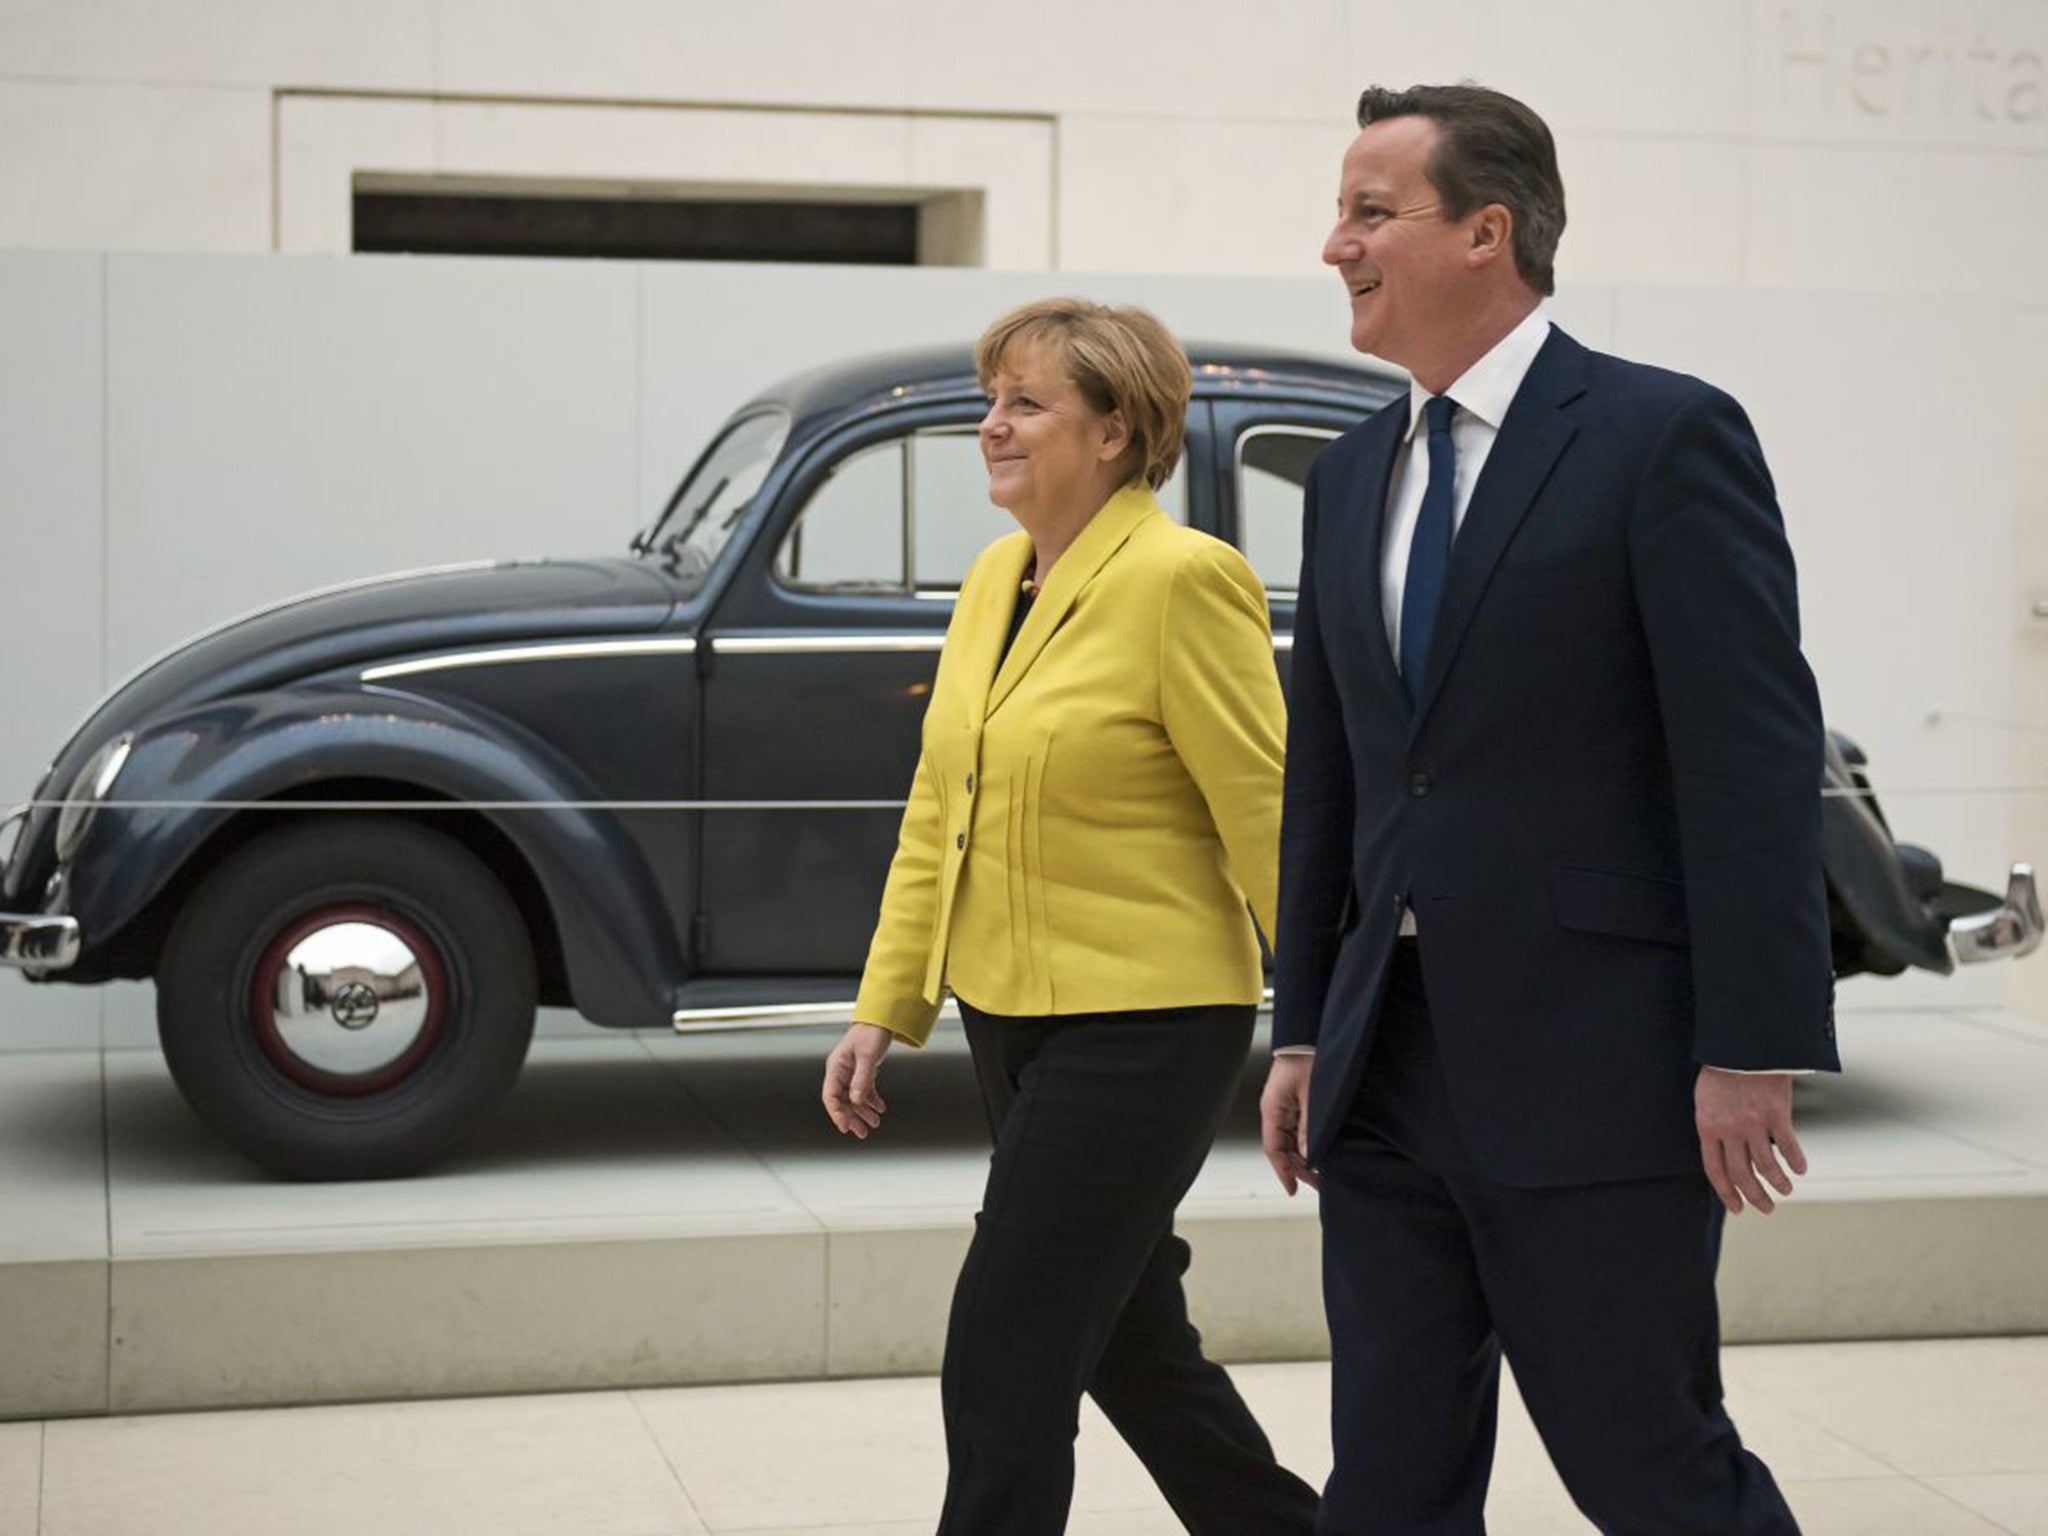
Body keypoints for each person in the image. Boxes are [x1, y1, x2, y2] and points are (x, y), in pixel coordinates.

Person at [1260, 84, 1839, 1534]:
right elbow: (1332, 777)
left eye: (1370, 212)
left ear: (1487, 233)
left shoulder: (1660, 438)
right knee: (1386, 1480)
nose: (1336, 245)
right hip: (1384, 1067)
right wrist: (1303, 1024)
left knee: (1648, 1467)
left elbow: (1752, 759)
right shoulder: (1346, 476)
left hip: (1600, 1069)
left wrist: (1752, 1043)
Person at [821, 297, 1321, 1536]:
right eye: (991, 400)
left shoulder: (1183, 579)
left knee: (1006, 1349)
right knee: (1131, 1343)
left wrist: (1314, 1023)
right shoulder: (997, 578)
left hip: (1148, 1023)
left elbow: (1268, 820)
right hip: (1011, 1010)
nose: (989, 425)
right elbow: (945, 803)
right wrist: (885, 1006)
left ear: (1114, 432)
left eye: (1024, 404)